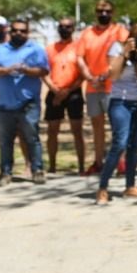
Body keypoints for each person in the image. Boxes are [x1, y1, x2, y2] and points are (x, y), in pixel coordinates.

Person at [0, 18, 50, 187]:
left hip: (28, 103)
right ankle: (5, 173)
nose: (18, 33)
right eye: (15, 30)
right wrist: (7, 70)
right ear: (9, 31)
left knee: (32, 138)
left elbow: (43, 70)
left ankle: (37, 170)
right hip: (4, 105)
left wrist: (26, 70)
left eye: (22, 31)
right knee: (5, 141)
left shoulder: (35, 49)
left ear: (28, 33)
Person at [96, 22, 137, 203]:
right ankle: (103, 188)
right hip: (119, 102)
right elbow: (113, 75)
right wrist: (125, 52)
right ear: (130, 34)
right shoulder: (117, 47)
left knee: (134, 146)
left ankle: (130, 186)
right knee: (120, 143)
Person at [77, 0, 129, 174]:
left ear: (113, 13)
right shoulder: (87, 34)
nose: (103, 14)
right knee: (97, 127)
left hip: (114, 87)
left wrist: (105, 75)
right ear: (95, 13)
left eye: (107, 11)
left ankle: (121, 163)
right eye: (100, 11)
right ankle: (98, 162)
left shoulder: (119, 32)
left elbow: (123, 55)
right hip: (92, 89)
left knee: (118, 126)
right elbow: (80, 59)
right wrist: (91, 78)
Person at [44, 16, 86, 174]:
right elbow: (44, 72)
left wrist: (67, 90)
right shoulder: (49, 49)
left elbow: (83, 74)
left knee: (77, 130)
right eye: (61, 26)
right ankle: (52, 166)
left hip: (74, 93)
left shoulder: (79, 48)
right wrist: (55, 90)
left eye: (68, 26)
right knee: (52, 130)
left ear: (73, 28)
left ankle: (81, 167)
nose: (64, 29)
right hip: (54, 92)